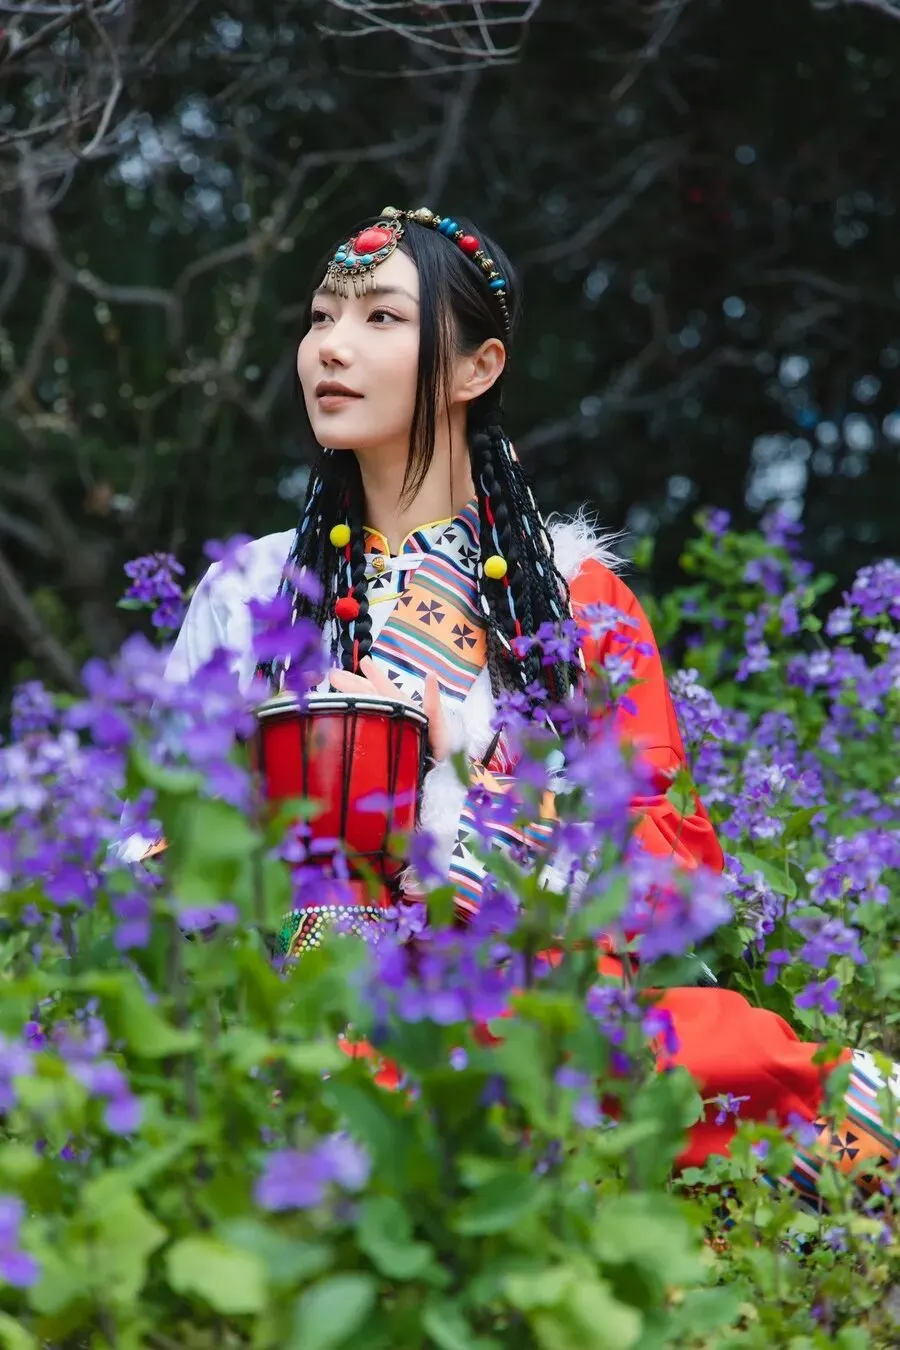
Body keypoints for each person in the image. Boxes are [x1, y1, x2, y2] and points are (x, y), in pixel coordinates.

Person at [164, 204, 898, 1213]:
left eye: (381, 318)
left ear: (478, 367)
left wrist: (464, 813)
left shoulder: (576, 600)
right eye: (322, 316)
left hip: (515, 998)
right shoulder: (249, 591)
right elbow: (150, 831)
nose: (331, 346)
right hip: (294, 1001)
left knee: (714, 1053)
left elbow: (667, 853)